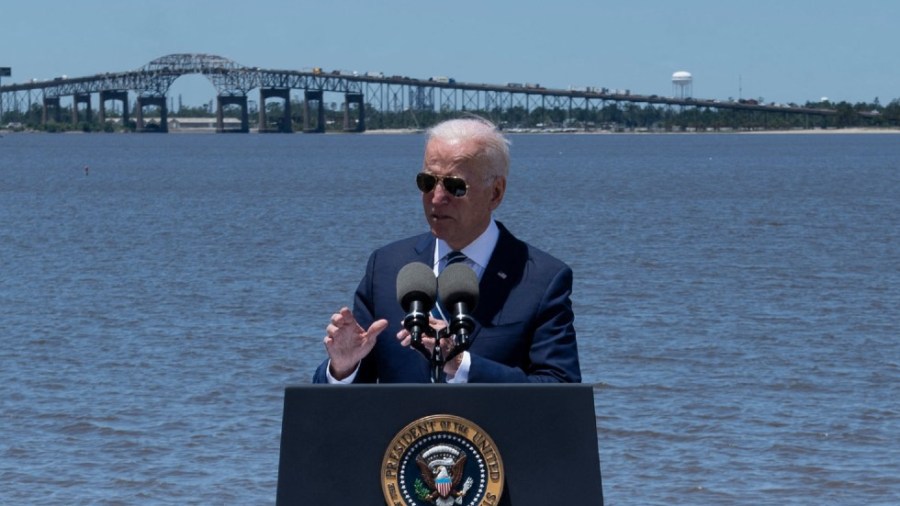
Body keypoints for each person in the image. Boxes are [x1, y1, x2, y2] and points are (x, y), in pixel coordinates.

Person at [313, 116, 580, 384]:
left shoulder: (542, 279)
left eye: (455, 186)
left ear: (496, 193)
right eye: (427, 182)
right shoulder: (386, 267)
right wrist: (343, 368)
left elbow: (561, 389)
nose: (438, 198)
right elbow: (348, 391)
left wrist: (462, 365)